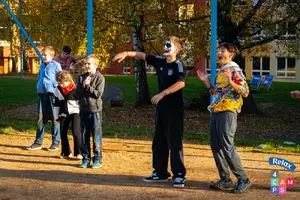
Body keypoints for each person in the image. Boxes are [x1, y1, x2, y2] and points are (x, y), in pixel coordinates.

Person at [112, 36, 186, 188]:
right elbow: (142, 55)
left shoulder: (178, 65)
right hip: (162, 109)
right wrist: (126, 53)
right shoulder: (159, 61)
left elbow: (181, 83)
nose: (165, 48)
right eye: (165, 45)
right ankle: (160, 172)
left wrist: (162, 94)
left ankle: (179, 175)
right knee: (159, 141)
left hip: (174, 109)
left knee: (174, 142)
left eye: (169, 45)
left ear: (176, 50)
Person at [196, 43, 251, 193]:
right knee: (216, 146)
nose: (219, 53)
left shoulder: (234, 70)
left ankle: (243, 179)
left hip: (228, 111)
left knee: (227, 146)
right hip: (216, 110)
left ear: (231, 54)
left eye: (222, 51)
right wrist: (206, 81)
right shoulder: (222, 71)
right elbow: (217, 93)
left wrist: (231, 80)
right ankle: (225, 178)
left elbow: (245, 91)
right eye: (218, 50)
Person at [27, 46, 62, 151]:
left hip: (53, 95)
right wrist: (39, 86)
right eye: (42, 55)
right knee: (40, 119)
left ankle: (55, 143)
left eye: (45, 55)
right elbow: (39, 77)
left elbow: (61, 78)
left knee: (55, 119)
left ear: (51, 56)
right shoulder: (42, 65)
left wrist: (54, 86)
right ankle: (38, 142)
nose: (43, 57)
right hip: (42, 95)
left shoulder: (56, 65)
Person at [76, 54, 105, 169]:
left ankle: (97, 159)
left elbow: (98, 94)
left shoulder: (100, 78)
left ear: (95, 65)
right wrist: (83, 86)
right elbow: (77, 94)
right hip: (83, 109)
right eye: (86, 63)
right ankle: (85, 159)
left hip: (95, 110)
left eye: (89, 63)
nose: (86, 65)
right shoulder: (81, 77)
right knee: (84, 135)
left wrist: (88, 87)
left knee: (96, 135)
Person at [54, 70, 82, 160]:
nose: (61, 85)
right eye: (59, 83)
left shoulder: (75, 89)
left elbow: (81, 103)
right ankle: (66, 152)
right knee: (62, 132)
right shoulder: (57, 90)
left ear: (68, 81)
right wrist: (56, 116)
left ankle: (79, 152)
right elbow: (56, 104)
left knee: (76, 132)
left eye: (62, 83)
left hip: (75, 112)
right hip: (63, 113)